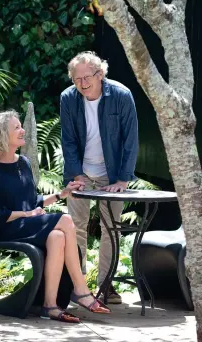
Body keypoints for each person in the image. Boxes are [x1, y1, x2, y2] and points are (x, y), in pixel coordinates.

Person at [0, 110, 111, 324]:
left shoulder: (23, 163)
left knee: (57, 237)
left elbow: (31, 201)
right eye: (16, 127)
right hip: (2, 228)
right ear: (1, 135)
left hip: (24, 223)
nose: (22, 130)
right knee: (65, 220)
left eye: (21, 125)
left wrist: (61, 194)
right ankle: (81, 289)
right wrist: (27, 214)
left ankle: (50, 306)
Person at [60, 52, 138, 304]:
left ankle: (106, 285)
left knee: (111, 230)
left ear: (100, 74)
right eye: (76, 79)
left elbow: (131, 140)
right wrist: (77, 174)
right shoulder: (68, 99)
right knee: (75, 228)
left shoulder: (121, 96)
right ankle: (78, 285)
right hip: (79, 173)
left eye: (87, 77)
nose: (82, 84)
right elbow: (68, 140)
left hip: (112, 175)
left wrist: (122, 180)